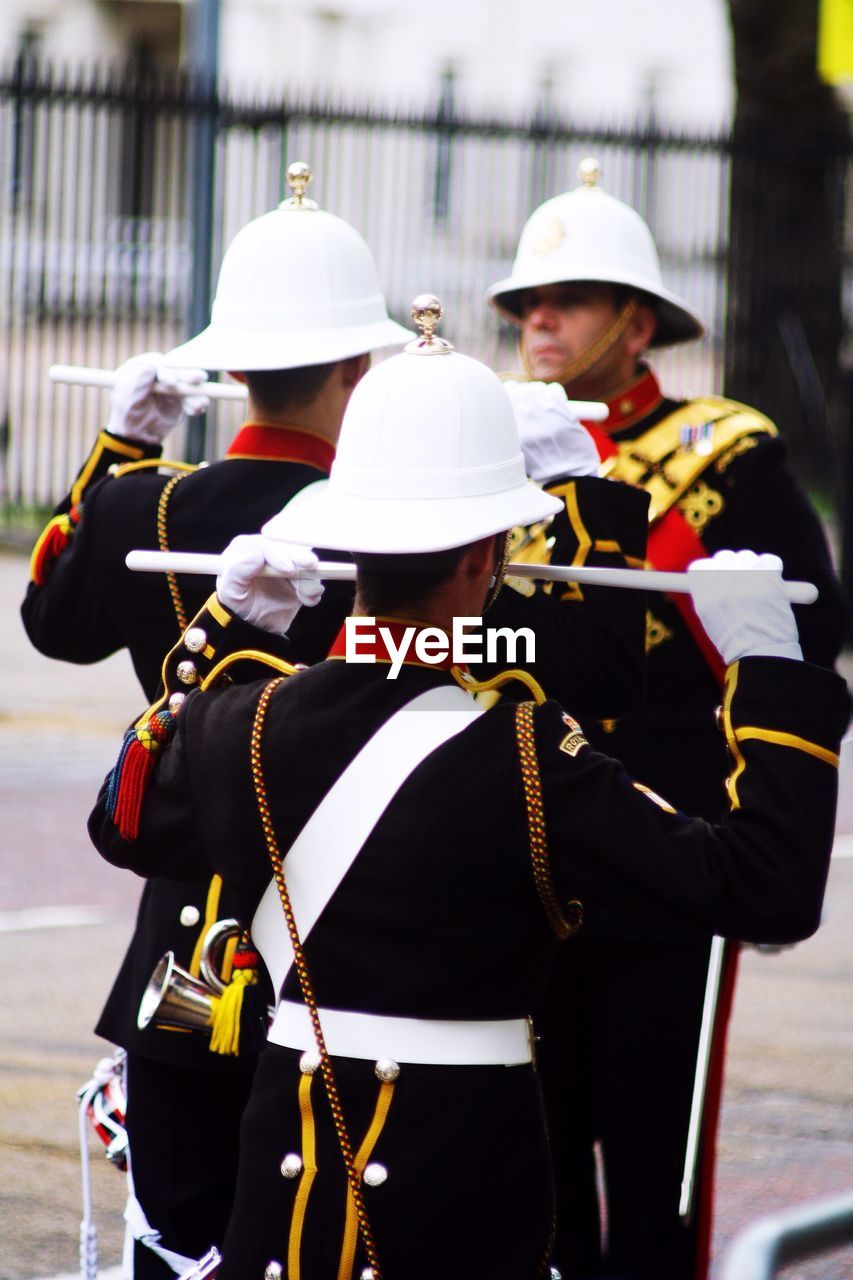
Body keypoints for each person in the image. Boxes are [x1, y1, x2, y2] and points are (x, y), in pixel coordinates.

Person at [88, 306, 846, 1280]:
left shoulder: (240, 720)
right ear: (488, 556)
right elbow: (765, 886)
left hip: (290, 1217)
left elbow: (121, 812)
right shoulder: (531, 754)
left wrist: (226, 630)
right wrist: (771, 672)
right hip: (462, 1208)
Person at [20, 162, 412, 1277]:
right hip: (346, 920)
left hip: (185, 938)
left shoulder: (138, 506)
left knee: (180, 1233)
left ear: (231, 365)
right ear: (358, 362)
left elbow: (52, 622)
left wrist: (121, 452)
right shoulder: (403, 526)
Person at [486, 158, 850, 1278]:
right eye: (529, 303)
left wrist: (606, 498)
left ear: (635, 323)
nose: (539, 319)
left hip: (669, 847)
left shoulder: (723, 447)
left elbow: (801, 622)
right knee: (529, 1161)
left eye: (570, 300)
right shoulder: (494, 445)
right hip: (526, 845)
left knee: (654, 1174)